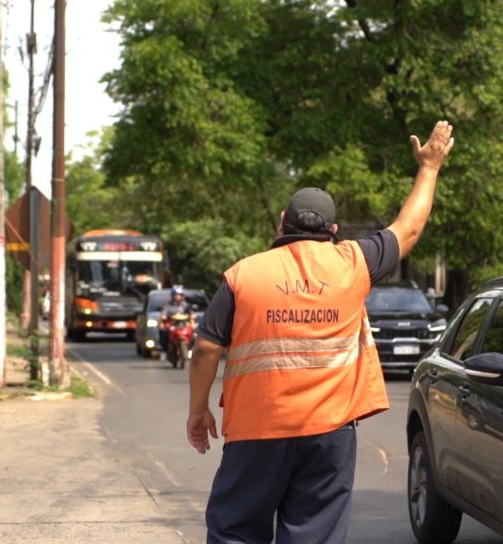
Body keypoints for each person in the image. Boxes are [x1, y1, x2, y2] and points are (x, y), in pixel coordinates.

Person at [187, 120, 455, 543]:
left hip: (256, 431)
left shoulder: (242, 275)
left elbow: (206, 348)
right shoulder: (354, 262)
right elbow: (409, 228)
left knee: (235, 531)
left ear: (282, 223)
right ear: (333, 232)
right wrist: (430, 168)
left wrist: (198, 409)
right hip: (329, 434)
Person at [159, 285, 195, 360]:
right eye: (176, 295)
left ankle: (190, 349)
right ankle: (164, 351)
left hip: (183, 325)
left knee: (194, 334)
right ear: (172, 295)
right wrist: (163, 318)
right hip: (172, 324)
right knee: (164, 332)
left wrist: (192, 321)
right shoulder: (168, 305)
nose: (177, 297)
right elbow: (163, 313)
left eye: (179, 295)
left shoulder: (186, 305)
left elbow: (191, 314)